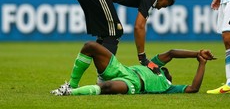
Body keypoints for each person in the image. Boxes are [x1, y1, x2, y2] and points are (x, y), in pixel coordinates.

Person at [71, 0, 176, 73]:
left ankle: (75, 83)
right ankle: (104, 80)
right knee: (114, 32)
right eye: (163, 6)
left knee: (106, 34)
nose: (158, 8)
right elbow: (139, 26)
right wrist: (142, 57)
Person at [50, 41, 216, 96]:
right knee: (90, 46)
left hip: (133, 84)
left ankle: (69, 93)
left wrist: (202, 63)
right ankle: (72, 84)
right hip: (123, 70)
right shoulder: (154, 66)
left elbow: (194, 88)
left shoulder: (169, 88)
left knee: (107, 87)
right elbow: (172, 53)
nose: (169, 73)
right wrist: (197, 53)